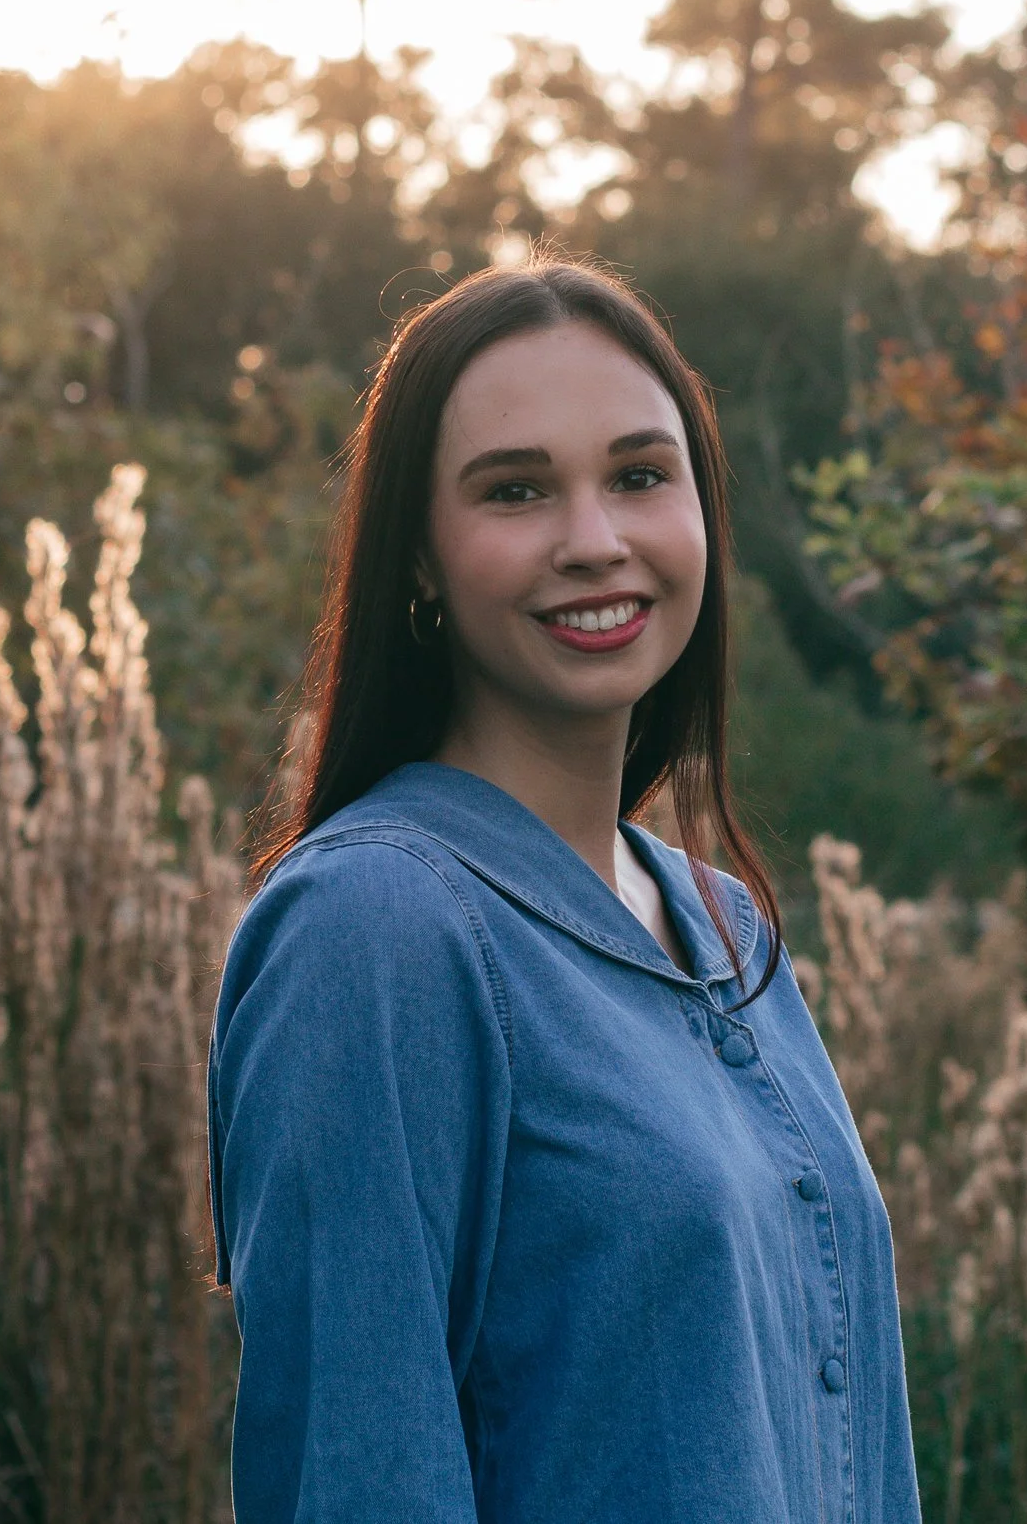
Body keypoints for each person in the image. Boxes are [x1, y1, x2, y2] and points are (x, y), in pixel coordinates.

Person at [205, 253, 923, 1522]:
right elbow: (356, 1471)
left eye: (641, 476)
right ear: (417, 560)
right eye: (517, 490)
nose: (595, 542)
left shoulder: (724, 920)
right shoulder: (373, 927)